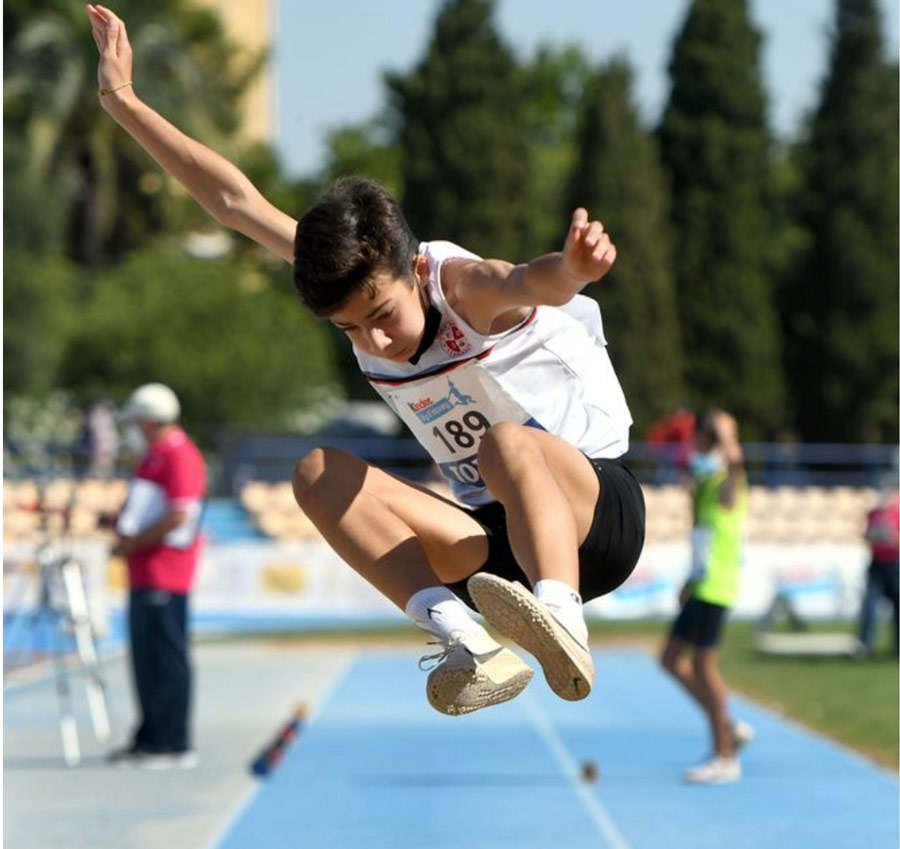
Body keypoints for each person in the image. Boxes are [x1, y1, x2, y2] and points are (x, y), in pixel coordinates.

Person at [86, 5, 645, 716]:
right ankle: (469, 641)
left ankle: (563, 618)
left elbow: (529, 281)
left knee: (506, 443)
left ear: (413, 272)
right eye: (351, 330)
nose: (375, 343)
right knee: (317, 473)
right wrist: (124, 102)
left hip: (593, 514)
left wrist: (573, 269)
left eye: (380, 318)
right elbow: (233, 200)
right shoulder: (352, 278)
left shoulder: (459, 287)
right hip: (494, 546)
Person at [108, 382, 206, 767]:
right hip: (144, 573)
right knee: (146, 659)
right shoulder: (153, 455)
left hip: (166, 573)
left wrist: (132, 544)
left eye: (135, 421)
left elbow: (179, 514)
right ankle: (149, 737)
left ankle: (173, 742)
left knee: (166, 658)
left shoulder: (179, 453)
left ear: (149, 421)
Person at [660, 410, 754, 784]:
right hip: (701, 584)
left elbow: (735, 465)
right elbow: (704, 541)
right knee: (670, 659)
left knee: (702, 666)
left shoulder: (726, 486)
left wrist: (727, 431)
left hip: (717, 588)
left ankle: (725, 756)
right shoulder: (702, 488)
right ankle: (727, 725)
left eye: (701, 443)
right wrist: (689, 578)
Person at [856, 487, 899, 657]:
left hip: (895, 565)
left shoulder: (897, 512)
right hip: (877, 564)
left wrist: (891, 539)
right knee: (869, 604)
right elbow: (866, 536)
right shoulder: (873, 514)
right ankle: (865, 643)